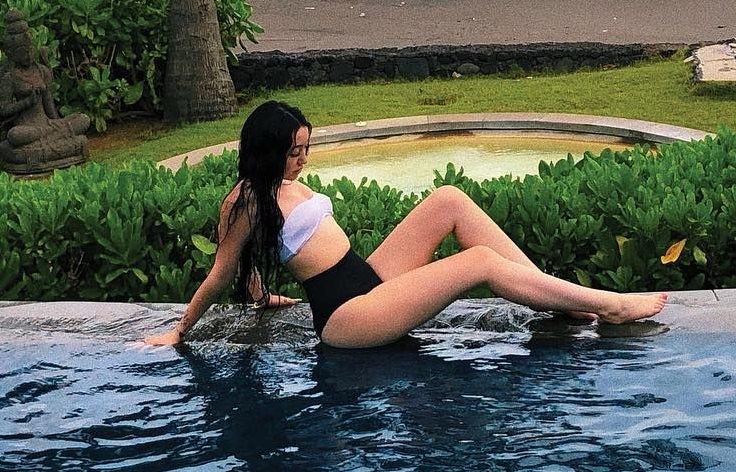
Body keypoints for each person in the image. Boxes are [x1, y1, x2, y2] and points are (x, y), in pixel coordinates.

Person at [145, 101, 668, 349]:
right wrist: (179, 332)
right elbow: (223, 270)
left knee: (448, 200)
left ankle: (564, 301)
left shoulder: (281, 186)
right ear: (267, 151)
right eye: (294, 152)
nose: (303, 160)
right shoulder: (245, 202)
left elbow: (257, 260)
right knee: (479, 263)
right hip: (347, 317)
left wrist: (263, 297)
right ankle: (610, 305)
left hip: (366, 281)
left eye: (306, 149)